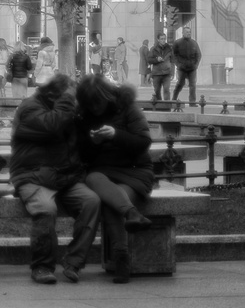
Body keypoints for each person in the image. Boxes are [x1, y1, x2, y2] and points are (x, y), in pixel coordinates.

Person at [10, 73, 100, 285]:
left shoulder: (66, 109)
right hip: (32, 175)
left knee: (91, 202)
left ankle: (74, 261)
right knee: (45, 209)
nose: (74, 99)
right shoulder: (30, 108)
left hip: (64, 177)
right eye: (71, 94)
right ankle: (42, 266)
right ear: (56, 94)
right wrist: (68, 101)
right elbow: (51, 126)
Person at [76, 73, 154, 285]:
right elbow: (83, 157)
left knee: (111, 202)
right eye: (90, 104)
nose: (95, 108)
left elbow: (143, 142)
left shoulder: (127, 107)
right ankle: (132, 214)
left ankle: (121, 258)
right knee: (93, 178)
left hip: (134, 171)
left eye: (98, 102)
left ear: (106, 96)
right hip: (102, 173)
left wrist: (115, 135)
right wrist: (92, 142)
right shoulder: (84, 116)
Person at [171, 27, 201, 107]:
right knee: (180, 83)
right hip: (182, 68)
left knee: (192, 85)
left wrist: (196, 65)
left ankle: (192, 102)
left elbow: (198, 55)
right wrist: (178, 64)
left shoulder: (194, 43)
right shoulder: (177, 43)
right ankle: (174, 99)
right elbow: (174, 55)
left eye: (189, 32)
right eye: (187, 32)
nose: (188, 33)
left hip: (192, 68)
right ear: (183, 33)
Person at [147, 35, 174, 101]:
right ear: (158, 40)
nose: (163, 40)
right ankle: (160, 105)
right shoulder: (153, 49)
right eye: (161, 39)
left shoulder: (169, 49)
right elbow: (149, 60)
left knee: (166, 90)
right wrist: (156, 60)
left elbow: (172, 61)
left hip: (166, 73)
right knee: (157, 91)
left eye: (164, 39)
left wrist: (172, 73)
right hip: (156, 73)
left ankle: (167, 106)